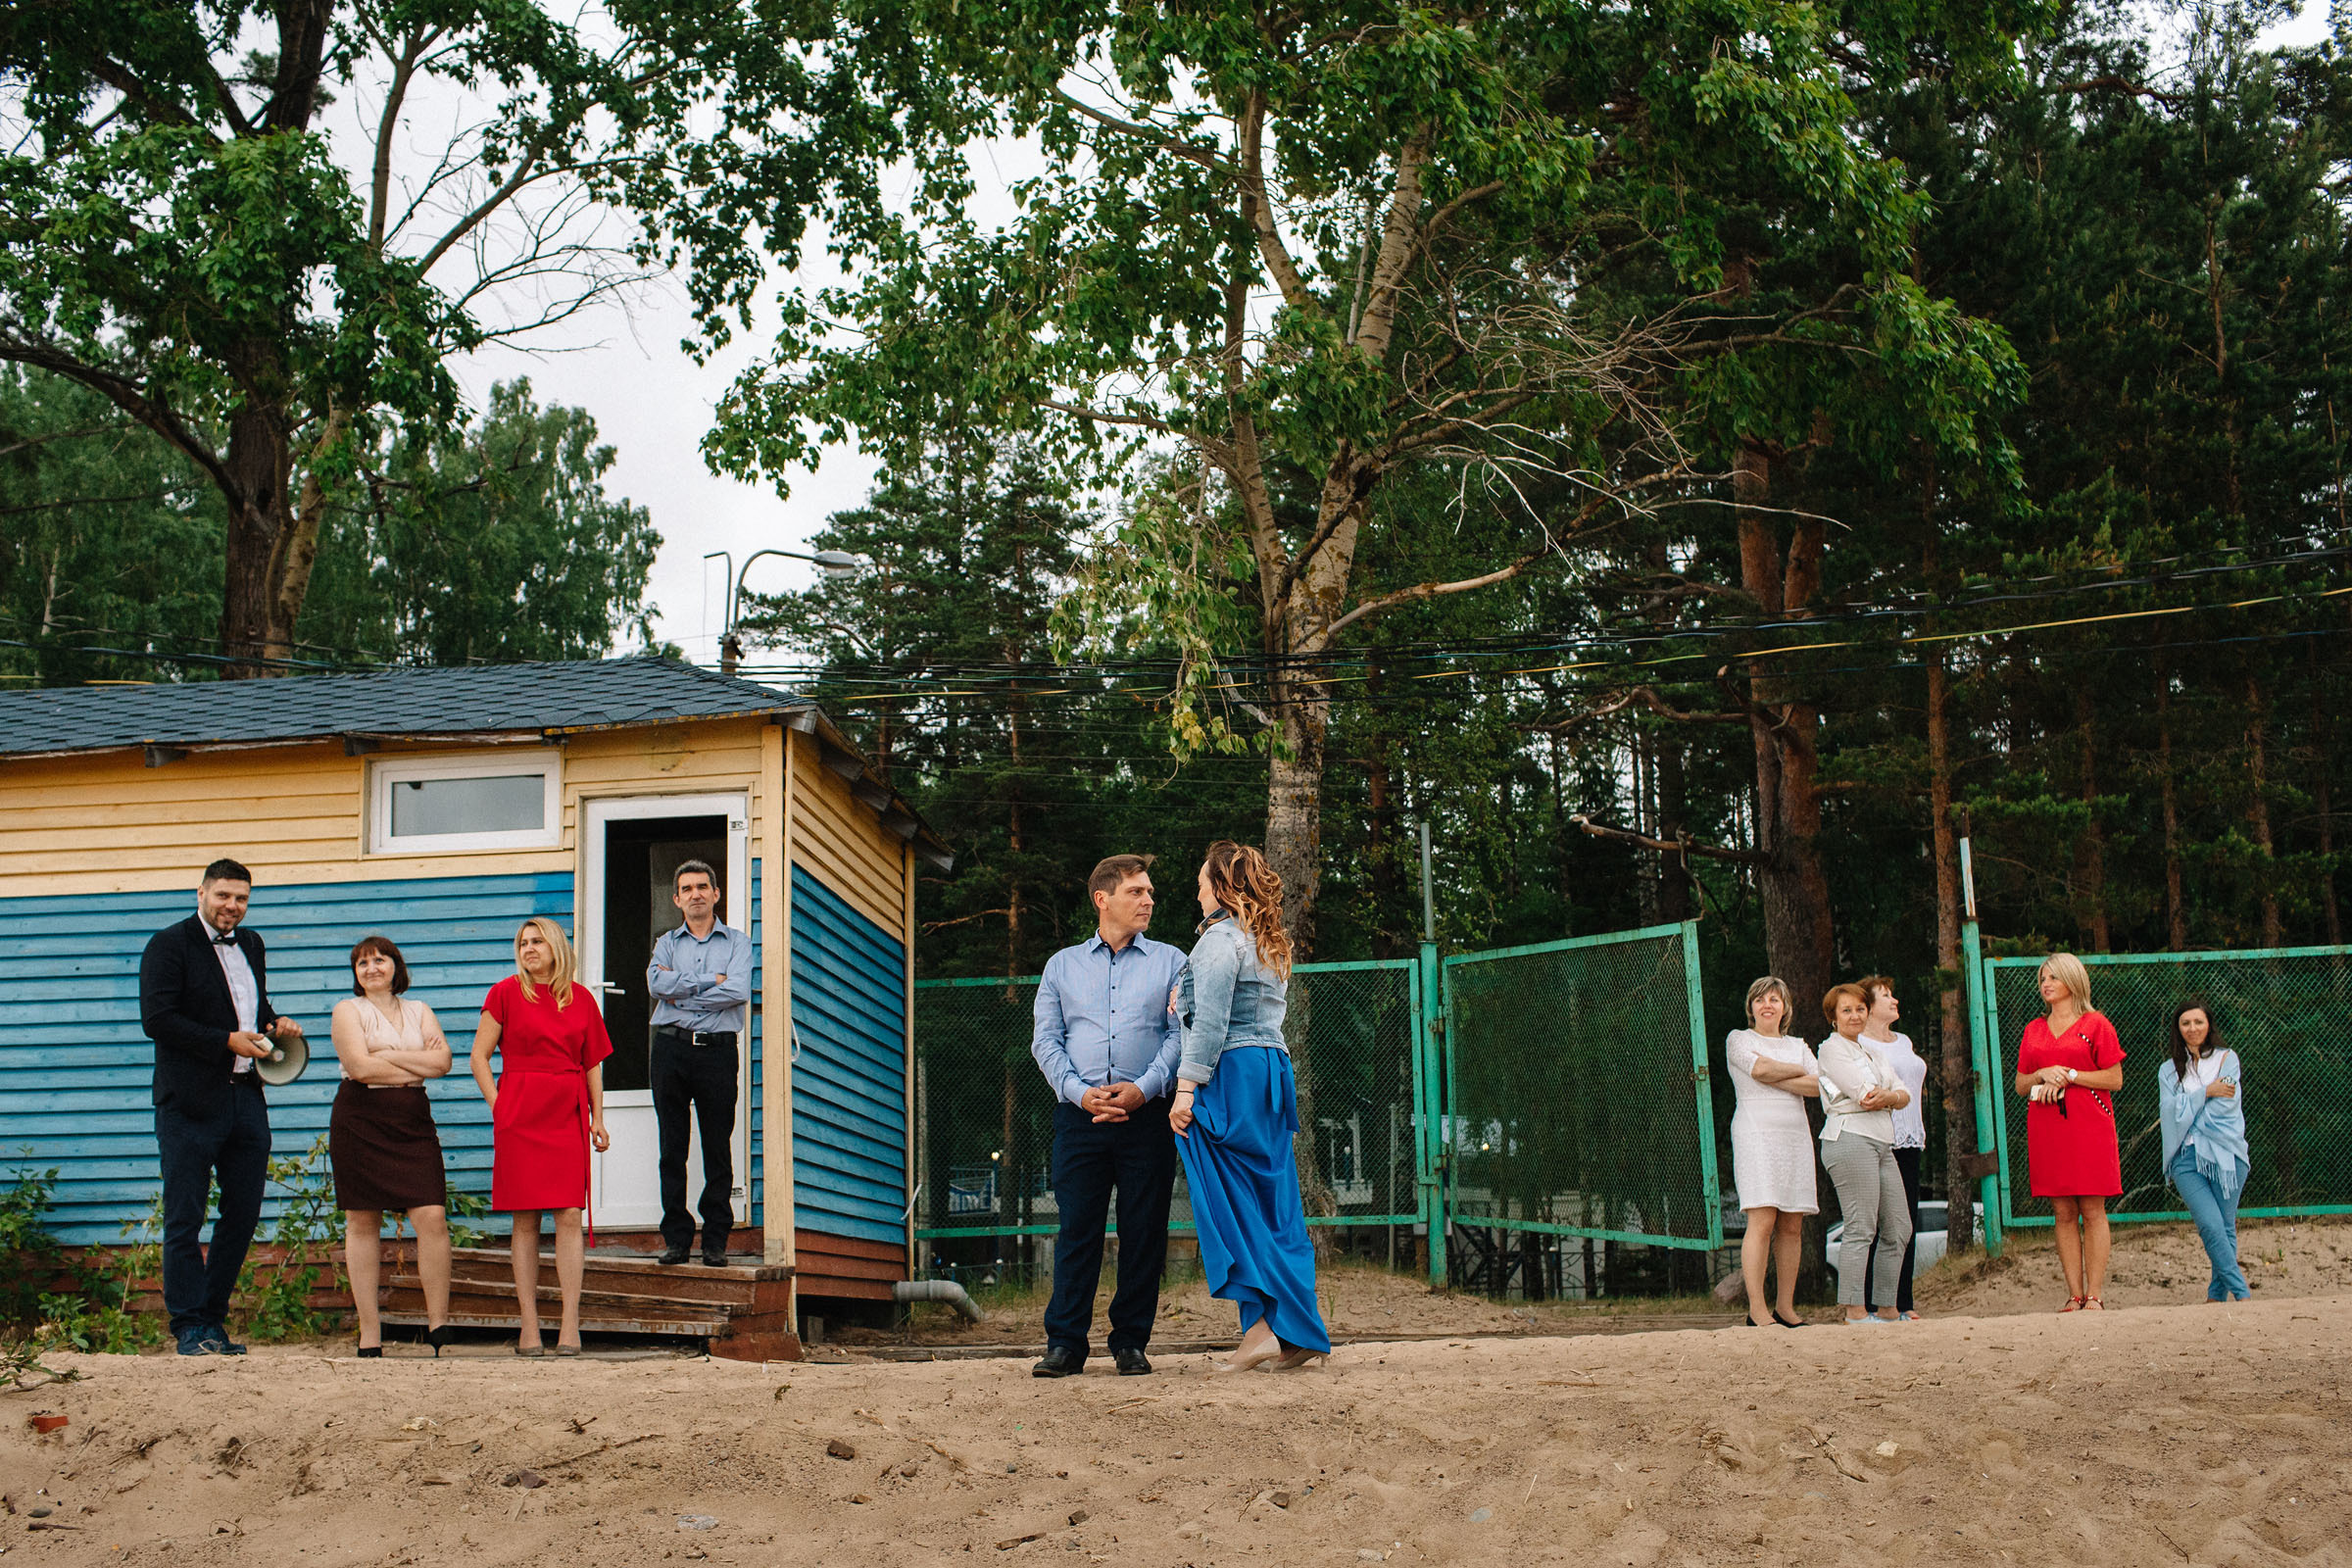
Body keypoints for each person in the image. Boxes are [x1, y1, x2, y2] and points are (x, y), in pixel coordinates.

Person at [1170, 841, 1330, 1373]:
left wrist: (1186, 1090)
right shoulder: (1268, 943)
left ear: (1221, 886)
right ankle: (1297, 1329)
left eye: (1200, 883)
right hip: (1270, 1072)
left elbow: (1213, 1025)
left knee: (1230, 1196)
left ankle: (1259, 1329)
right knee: (1274, 1202)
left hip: (1231, 1075)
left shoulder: (1218, 941)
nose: (1195, 894)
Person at [138, 858, 306, 1356]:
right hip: (188, 1103)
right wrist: (225, 1041)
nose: (233, 906)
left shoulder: (251, 943)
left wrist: (277, 1024)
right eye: (224, 896)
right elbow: (158, 1020)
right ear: (202, 893)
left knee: (243, 1213)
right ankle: (188, 1326)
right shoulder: (167, 944)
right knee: (184, 1217)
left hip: (246, 1097)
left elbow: (251, 1009)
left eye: (242, 898)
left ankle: (212, 1320)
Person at [1028, 855, 1186, 1378]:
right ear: (1103, 898)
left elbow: (1182, 1035)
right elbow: (1046, 1042)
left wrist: (1143, 1090)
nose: (1148, 900)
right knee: (1077, 1229)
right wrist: (1079, 1093)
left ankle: (1131, 1343)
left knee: (1145, 1231)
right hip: (1080, 1120)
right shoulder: (1061, 967)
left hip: (1148, 1118)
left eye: (1149, 892)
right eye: (1137, 892)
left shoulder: (1172, 962)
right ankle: (1066, 1344)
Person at [471, 916, 612, 1355]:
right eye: (523, 942)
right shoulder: (505, 993)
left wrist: (598, 1118)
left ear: (556, 945)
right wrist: (500, 1107)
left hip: (566, 1110)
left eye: (537, 941)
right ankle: (529, 1327)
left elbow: (592, 1064)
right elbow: (479, 1056)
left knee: (568, 1213)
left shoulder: (583, 999)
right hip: (520, 1110)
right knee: (525, 1217)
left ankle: (570, 1324)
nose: (529, 948)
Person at [328, 935, 455, 1357]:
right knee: (363, 1222)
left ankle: (438, 1326)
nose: (371, 968)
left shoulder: (420, 1010)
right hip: (360, 1120)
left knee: (432, 1216)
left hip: (412, 1123)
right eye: (362, 963)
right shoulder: (348, 1010)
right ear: (356, 975)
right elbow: (359, 1068)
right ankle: (370, 1334)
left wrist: (386, 1052)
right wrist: (411, 1056)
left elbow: (443, 1063)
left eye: (379, 960)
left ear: (395, 967)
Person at [646, 858, 751, 1266]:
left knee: (716, 1145)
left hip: (718, 1052)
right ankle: (676, 1239)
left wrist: (681, 992)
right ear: (676, 898)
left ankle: (715, 1241)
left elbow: (738, 991)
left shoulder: (738, 943)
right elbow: (656, 984)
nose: (696, 894)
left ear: (716, 894)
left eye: (703, 887)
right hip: (670, 1049)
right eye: (687, 889)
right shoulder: (666, 943)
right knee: (672, 1146)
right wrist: (710, 982)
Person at [2013, 952, 2125, 1311]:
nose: (2045, 984)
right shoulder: (2033, 1029)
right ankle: (2074, 1294)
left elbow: (2114, 1078)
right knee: (2062, 1210)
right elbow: (2019, 1084)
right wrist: (2042, 1075)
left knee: (2093, 1208)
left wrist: (2071, 1075)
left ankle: (2095, 1294)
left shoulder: (2096, 1024)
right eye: (2042, 978)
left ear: (2072, 981)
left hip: (2090, 1123)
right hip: (2047, 1125)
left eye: (2053, 978)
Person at [1723, 975, 1819, 1329]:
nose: (1767, 1005)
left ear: (1785, 1007)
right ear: (1751, 1007)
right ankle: (1757, 1309)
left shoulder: (1798, 1044)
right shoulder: (1739, 1040)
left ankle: (1785, 1307)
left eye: (1774, 1000)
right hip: (1756, 1133)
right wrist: (1796, 1072)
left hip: (1794, 1136)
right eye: (1760, 999)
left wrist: (1780, 1075)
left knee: (1792, 1224)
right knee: (1762, 1221)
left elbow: (1818, 1084)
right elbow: (1758, 1069)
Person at [1816, 982, 1913, 1325]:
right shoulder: (1831, 1050)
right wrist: (1890, 1097)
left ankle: (1887, 1308)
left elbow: (1903, 1093)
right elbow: (1865, 1094)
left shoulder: (1873, 1053)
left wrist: (1889, 1097)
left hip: (1881, 1142)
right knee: (1861, 1227)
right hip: (1850, 1139)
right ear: (1833, 1017)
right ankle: (1855, 1311)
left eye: (1859, 1008)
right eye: (1846, 1010)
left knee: (1899, 1227)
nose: (1855, 1015)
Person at [2158, 1000, 2250, 1302]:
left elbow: (2226, 1108)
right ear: (2178, 1029)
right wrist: (2206, 1093)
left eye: (2198, 1022)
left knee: (2224, 1225)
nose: (2192, 1028)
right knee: (2210, 1225)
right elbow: (2169, 1112)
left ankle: (2215, 1296)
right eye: (2186, 1023)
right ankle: (2242, 1292)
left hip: (2227, 1154)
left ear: (2208, 1025)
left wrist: (2190, 1107)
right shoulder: (2168, 1071)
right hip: (2185, 1158)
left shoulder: (2228, 1059)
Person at [1859, 976, 1930, 1320]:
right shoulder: (1858, 1043)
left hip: (1910, 1137)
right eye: (1886, 996)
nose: (1895, 1000)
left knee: (1906, 1221)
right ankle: (1874, 1302)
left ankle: (1904, 1302)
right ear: (1869, 1007)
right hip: (1878, 1137)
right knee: (1877, 1221)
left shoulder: (1903, 1040)